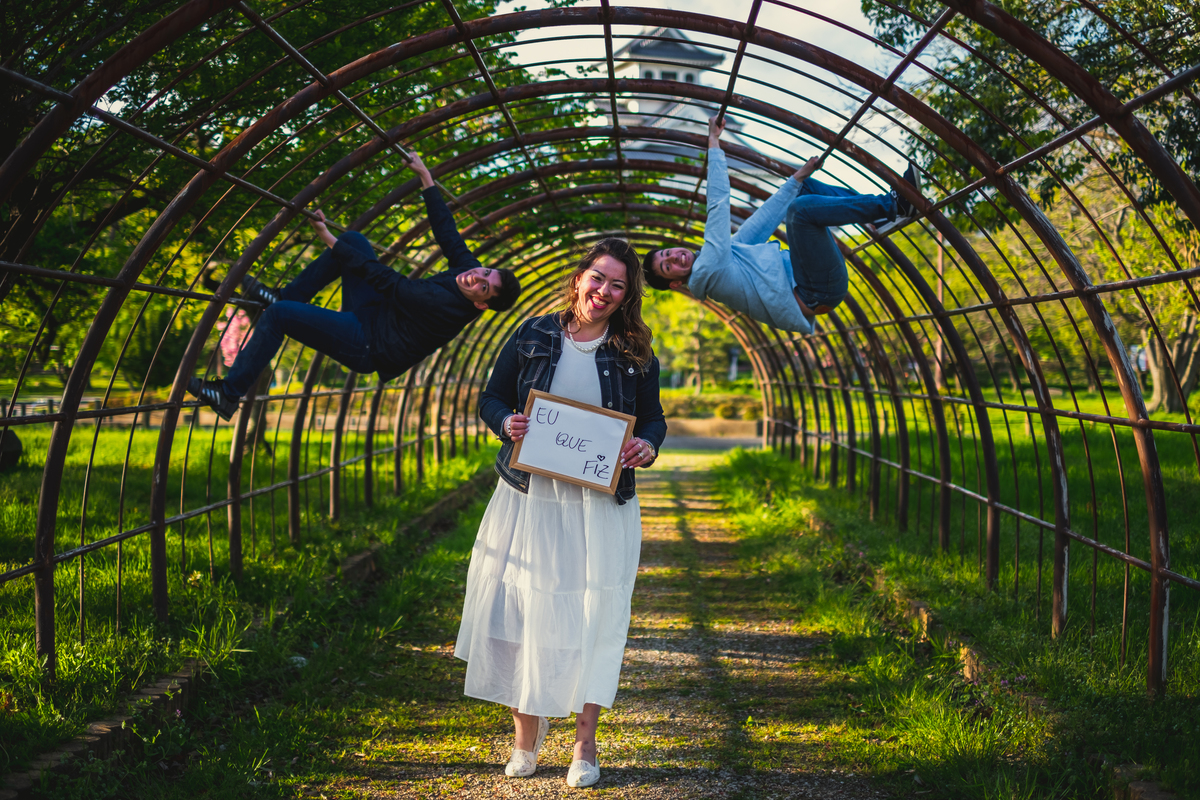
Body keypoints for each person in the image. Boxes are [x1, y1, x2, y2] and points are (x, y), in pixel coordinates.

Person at [456, 238, 665, 789]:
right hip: (529, 497)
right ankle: (525, 736)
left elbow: (653, 420)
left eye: (617, 285)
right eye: (598, 278)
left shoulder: (635, 352)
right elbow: (491, 398)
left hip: (598, 505)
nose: (604, 291)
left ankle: (584, 745)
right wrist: (506, 423)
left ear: (626, 295)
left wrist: (646, 445)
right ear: (579, 279)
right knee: (519, 613)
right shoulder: (532, 334)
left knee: (591, 618)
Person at [187, 153, 521, 421]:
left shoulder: (445, 306)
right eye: (485, 272)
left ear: (481, 304)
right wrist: (425, 177)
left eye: (483, 287)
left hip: (367, 344)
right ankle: (283, 297)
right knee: (355, 241)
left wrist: (328, 239)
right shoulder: (468, 271)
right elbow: (447, 233)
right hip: (373, 314)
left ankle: (228, 394)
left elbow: (388, 281)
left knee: (279, 316)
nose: (476, 277)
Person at [643, 115, 920, 334]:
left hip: (810, 280)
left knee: (801, 188)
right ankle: (895, 206)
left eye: (667, 253)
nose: (674, 257)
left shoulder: (721, 259)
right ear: (676, 283)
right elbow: (718, 203)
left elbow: (759, 224)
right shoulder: (707, 270)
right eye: (668, 267)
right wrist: (713, 141)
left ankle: (881, 215)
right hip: (817, 292)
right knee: (801, 211)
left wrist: (797, 178)